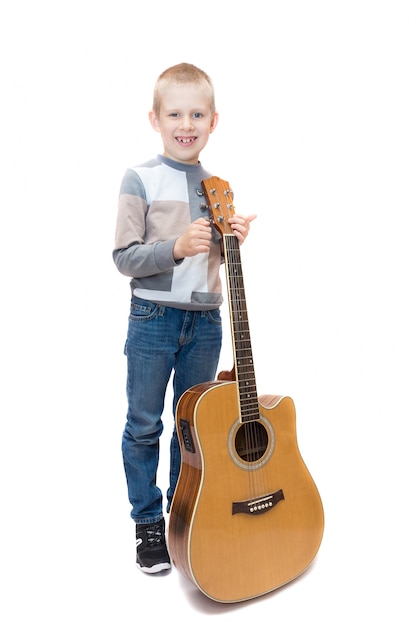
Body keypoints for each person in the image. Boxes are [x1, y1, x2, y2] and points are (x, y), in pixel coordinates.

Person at [113, 62, 256, 574]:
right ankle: (147, 520)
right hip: (153, 318)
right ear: (155, 118)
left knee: (191, 427)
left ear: (214, 121)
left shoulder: (217, 184)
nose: (185, 122)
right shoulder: (141, 178)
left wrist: (232, 241)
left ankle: (183, 509)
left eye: (197, 113)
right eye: (174, 112)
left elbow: (212, 262)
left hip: (206, 322)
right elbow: (124, 257)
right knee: (145, 425)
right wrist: (173, 247)